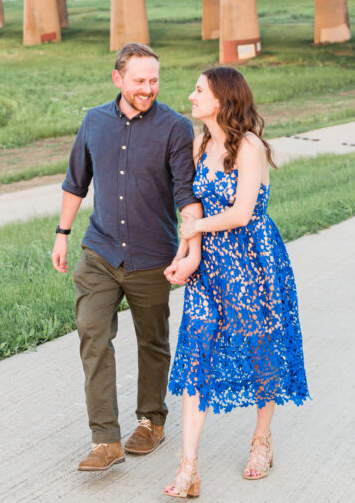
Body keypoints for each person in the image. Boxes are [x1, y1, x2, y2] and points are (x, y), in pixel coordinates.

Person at [52, 42, 203, 473]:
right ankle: (105, 439)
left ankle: (151, 421)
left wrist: (188, 248)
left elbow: (185, 196)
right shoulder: (94, 121)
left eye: (154, 80)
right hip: (99, 252)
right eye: (139, 81)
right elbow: (75, 182)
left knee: (152, 342)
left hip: (152, 257)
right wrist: (62, 235)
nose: (148, 88)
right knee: (92, 334)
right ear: (118, 79)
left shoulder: (175, 128)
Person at [162, 65, 309, 498]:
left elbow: (242, 214)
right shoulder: (198, 145)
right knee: (195, 354)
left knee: (260, 347)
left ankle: (261, 440)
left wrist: (195, 233)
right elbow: (190, 211)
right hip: (209, 271)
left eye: (199, 90)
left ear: (222, 100)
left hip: (254, 263)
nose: (191, 96)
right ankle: (188, 468)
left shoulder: (249, 147)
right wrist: (186, 257)